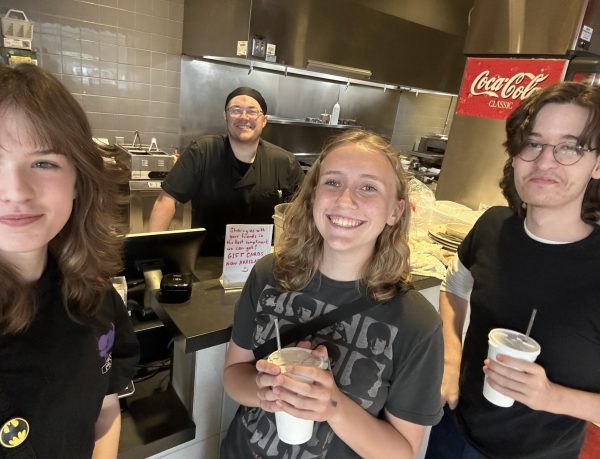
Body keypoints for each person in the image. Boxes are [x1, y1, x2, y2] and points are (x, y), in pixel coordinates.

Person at [221, 130, 444, 458]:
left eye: (368, 187)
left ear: (395, 211)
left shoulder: (418, 324)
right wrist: (262, 390)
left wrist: (333, 406)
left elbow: (402, 452)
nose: (344, 200)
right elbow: (233, 375)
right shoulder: (269, 274)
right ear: (313, 196)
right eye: (332, 182)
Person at [425, 81, 600, 459]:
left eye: (570, 146)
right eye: (532, 143)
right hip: (452, 432)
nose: (544, 161)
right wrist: (451, 353)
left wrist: (552, 396)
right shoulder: (492, 226)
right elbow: (453, 283)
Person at [0, 64, 139, 458]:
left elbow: (105, 410)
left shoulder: (95, 298)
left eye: (44, 163)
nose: (16, 191)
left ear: (79, 180)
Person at [148, 87, 304, 255]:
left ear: (264, 120)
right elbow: (166, 201)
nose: (243, 117)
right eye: (236, 110)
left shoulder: (284, 162)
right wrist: (153, 254)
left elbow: (305, 211)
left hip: (263, 263)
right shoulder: (202, 151)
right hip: (206, 261)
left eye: (252, 112)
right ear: (225, 116)